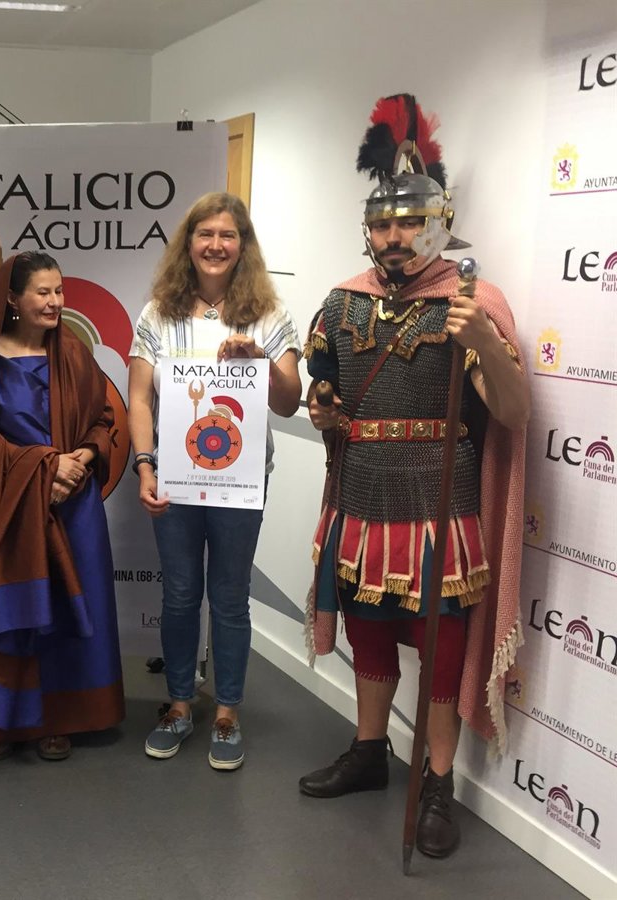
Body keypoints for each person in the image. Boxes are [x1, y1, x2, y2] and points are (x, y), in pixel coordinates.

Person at [299, 94, 529, 859]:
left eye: (409, 223)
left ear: (439, 222)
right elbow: (324, 392)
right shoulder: (343, 301)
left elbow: (514, 412)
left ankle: (436, 783)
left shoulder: (471, 303)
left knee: (442, 648)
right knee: (367, 633)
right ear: (367, 228)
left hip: (440, 505)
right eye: (382, 225)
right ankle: (369, 751)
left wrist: (483, 343)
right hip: (361, 499)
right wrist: (325, 409)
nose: (394, 238)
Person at [129, 192, 302, 770]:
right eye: (205, 233)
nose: (216, 245)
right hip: (175, 482)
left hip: (241, 484)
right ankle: (179, 705)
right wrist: (145, 465)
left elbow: (288, 401)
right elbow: (138, 399)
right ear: (189, 243)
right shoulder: (157, 313)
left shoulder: (269, 315)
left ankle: (227, 712)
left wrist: (260, 362)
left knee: (229, 597)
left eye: (228, 235)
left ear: (242, 245)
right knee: (180, 595)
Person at [0, 251, 125, 761]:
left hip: (74, 506)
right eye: (42, 292)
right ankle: (3, 719)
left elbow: (104, 420)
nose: (54, 302)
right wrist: (45, 468)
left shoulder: (74, 353)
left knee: (67, 610)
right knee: (16, 610)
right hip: (11, 506)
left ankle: (60, 719)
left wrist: (80, 460)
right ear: (12, 300)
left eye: (58, 291)